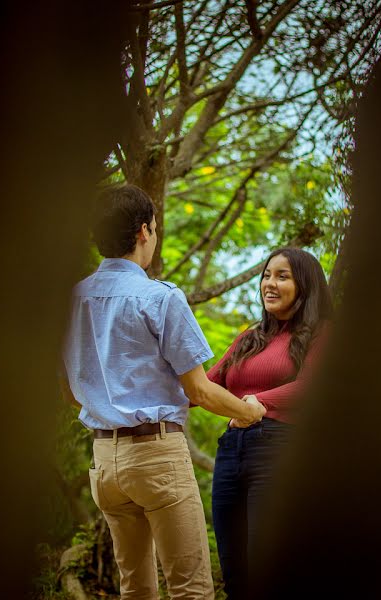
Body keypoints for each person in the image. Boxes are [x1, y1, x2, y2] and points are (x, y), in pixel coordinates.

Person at [61, 184, 266, 600]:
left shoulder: (73, 299)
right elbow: (201, 390)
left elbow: (70, 393)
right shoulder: (160, 297)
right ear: (143, 231)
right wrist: (249, 412)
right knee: (191, 588)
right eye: (153, 228)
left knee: (134, 587)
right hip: (156, 456)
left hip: (104, 462)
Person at [206, 247, 334, 600]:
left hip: (280, 451)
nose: (269, 284)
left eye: (282, 276)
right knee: (235, 576)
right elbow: (204, 386)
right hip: (231, 454)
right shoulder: (249, 338)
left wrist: (258, 402)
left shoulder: (321, 333)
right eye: (266, 275)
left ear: (304, 286)